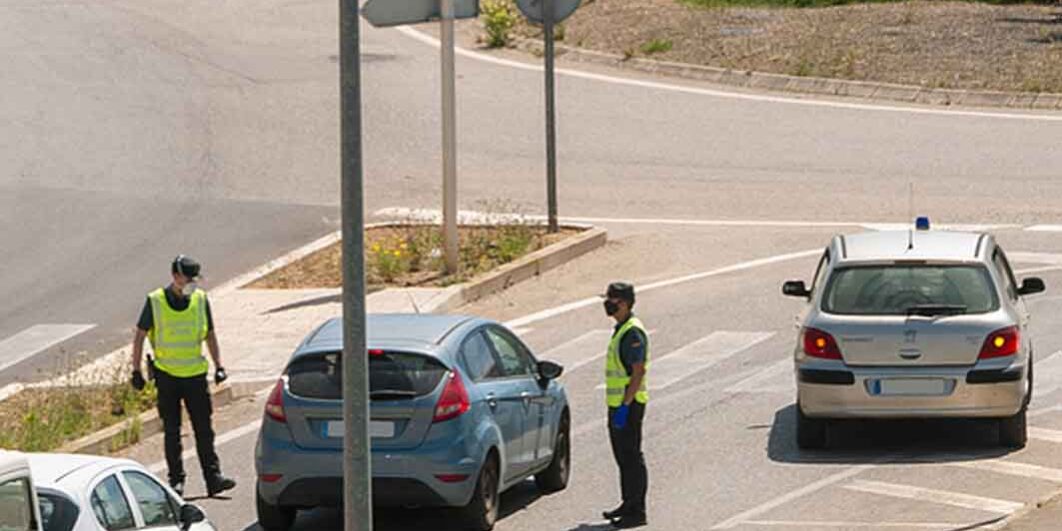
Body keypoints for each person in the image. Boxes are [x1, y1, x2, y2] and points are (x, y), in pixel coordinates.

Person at [131, 255, 235, 497]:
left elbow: (210, 334)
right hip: (167, 377)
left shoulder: (200, 300)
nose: (192, 284)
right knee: (172, 431)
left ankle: (213, 478)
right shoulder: (155, 301)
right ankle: (176, 481)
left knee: (204, 430)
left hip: (196, 376)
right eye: (188, 279)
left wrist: (219, 365)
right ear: (176, 277)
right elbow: (139, 336)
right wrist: (135, 370)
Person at [601, 282, 649, 529]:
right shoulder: (621, 328)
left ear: (625, 303)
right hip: (619, 405)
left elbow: (638, 372)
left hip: (628, 406)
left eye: (612, 300)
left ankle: (637, 510)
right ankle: (627, 503)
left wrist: (625, 406)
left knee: (631, 457)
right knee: (623, 458)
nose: (607, 304)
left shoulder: (632, 333)